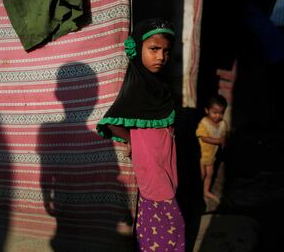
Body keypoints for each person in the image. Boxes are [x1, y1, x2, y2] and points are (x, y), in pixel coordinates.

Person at [96, 18, 185, 252]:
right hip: (150, 162)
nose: (161, 57)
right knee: (166, 210)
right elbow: (112, 121)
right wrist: (132, 140)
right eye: (153, 49)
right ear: (137, 49)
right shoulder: (136, 88)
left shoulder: (159, 85)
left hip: (166, 156)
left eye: (165, 51)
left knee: (162, 202)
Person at [196, 94, 228, 204]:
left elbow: (224, 135)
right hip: (201, 155)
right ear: (207, 110)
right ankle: (197, 193)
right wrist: (218, 141)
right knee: (202, 174)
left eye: (221, 113)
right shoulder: (204, 123)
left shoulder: (223, 124)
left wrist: (223, 142)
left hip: (211, 155)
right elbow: (203, 138)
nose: (217, 116)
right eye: (214, 113)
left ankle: (206, 191)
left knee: (210, 174)